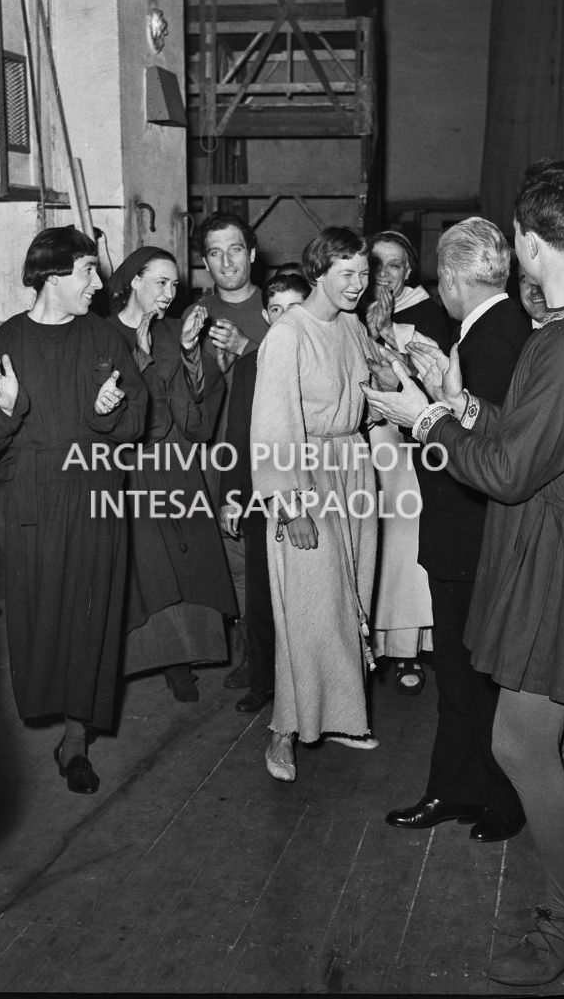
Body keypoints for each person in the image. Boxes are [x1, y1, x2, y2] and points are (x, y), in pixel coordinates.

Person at [362, 159, 564, 986]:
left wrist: (424, 416)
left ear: (530, 244)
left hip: (559, 566)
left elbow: (508, 473)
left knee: (522, 742)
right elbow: (535, 439)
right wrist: (458, 405)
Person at [0, 225, 147, 794]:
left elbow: (133, 422)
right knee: (42, 614)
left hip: (95, 491)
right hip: (35, 499)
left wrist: (105, 412)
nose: (99, 283)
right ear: (50, 276)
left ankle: (76, 740)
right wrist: (7, 410)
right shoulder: (4, 344)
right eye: (87, 271)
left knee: (91, 618)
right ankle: (47, 712)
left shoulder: (103, 340)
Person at [383, 217, 529, 844]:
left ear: (453, 278)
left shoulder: (495, 338)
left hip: (473, 538)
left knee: (473, 676)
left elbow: (482, 456)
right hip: (466, 536)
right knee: (463, 675)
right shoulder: (492, 330)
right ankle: (459, 787)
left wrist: (419, 416)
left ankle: (493, 797)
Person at [252, 226, 381, 783]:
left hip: (354, 469)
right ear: (318, 274)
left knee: (352, 592)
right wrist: (292, 505)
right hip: (307, 475)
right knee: (305, 607)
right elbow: (273, 426)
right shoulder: (288, 332)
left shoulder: (352, 326)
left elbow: (367, 407)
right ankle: (284, 730)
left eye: (364, 272)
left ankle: (343, 715)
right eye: (346, 273)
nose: (358, 284)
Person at [106, 247, 237, 702]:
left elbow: (198, 403)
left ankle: (182, 659)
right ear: (133, 282)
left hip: (176, 462)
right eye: (160, 282)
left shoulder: (171, 331)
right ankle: (143, 657)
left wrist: (187, 352)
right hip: (128, 467)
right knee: (144, 564)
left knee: (186, 558)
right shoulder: (100, 334)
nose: (169, 292)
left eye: (174, 284)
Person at [219, 272, 310, 713]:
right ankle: (263, 682)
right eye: (276, 310)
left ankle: (309, 687)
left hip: (311, 491)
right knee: (259, 593)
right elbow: (237, 434)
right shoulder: (251, 364)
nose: (285, 318)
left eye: (295, 308)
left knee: (308, 593)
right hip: (260, 492)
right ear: (264, 316)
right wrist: (230, 495)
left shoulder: (319, 358)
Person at [191, 212, 270, 689]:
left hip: (263, 452)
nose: (227, 261)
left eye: (235, 249)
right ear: (204, 262)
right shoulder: (195, 315)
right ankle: (244, 648)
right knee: (228, 554)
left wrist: (247, 348)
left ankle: (267, 651)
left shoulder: (276, 306)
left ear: (253, 254)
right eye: (215, 253)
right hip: (212, 454)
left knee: (259, 555)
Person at [361, 230, 441, 694]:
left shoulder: (428, 312)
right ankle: (378, 647)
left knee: (404, 553)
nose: (384, 274)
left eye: (394, 265)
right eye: (376, 264)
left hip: (409, 446)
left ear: (409, 270)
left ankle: (409, 650)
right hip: (368, 442)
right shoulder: (356, 306)